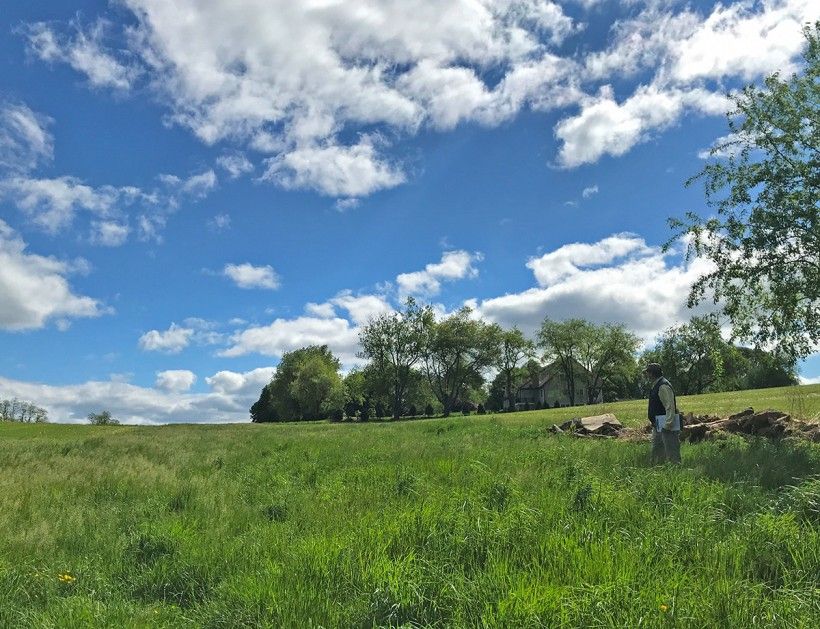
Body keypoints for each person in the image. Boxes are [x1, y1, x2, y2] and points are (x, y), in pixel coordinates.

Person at [644, 362, 681, 464]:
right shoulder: (657, 385)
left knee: (672, 453)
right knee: (657, 452)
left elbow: (670, 406)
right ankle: (659, 471)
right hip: (658, 425)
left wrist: (668, 424)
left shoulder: (663, 386)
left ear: (652, 373)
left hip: (666, 426)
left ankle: (676, 473)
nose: (647, 375)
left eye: (647, 373)